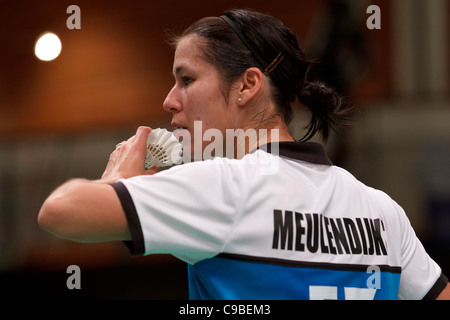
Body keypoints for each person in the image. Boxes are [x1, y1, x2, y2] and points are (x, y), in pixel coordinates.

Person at [38, 9, 449, 300]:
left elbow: (59, 211)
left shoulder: (225, 187)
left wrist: (116, 182)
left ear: (248, 85)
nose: (169, 101)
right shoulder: (382, 212)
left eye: (186, 79)